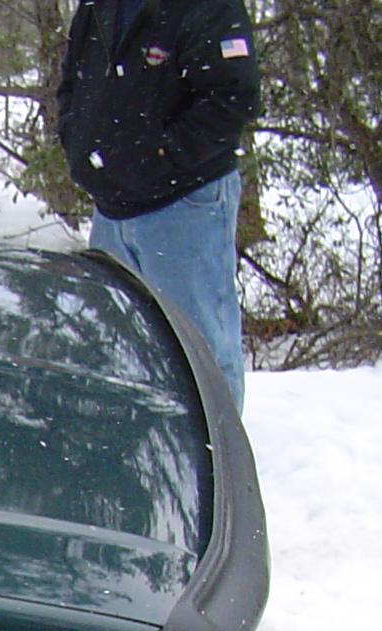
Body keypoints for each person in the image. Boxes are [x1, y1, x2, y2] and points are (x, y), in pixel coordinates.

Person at [58, 0, 261, 409]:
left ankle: (215, 447)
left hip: (184, 204)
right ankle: (139, 442)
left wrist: (160, 159)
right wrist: (79, 143)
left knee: (198, 351)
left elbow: (233, 97)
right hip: (111, 209)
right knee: (123, 348)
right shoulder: (99, 7)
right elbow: (73, 85)